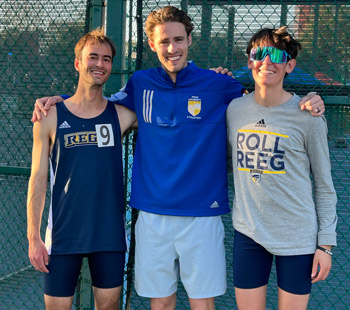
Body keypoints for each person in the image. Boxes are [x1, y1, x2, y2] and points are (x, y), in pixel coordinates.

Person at [31, 7, 325, 310]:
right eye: (164, 41)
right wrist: (60, 101)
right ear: (152, 43)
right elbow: (94, 106)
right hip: (152, 215)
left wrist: (311, 99)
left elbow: (265, 98)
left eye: (178, 39)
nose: (172, 48)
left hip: (203, 216)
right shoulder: (140, 83)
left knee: (202, 305)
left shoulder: (218, 84)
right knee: (161, 304)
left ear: (189, 41)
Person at [226, 26, 337, 310]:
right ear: (250, 61)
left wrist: (325, 245)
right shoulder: (234, 110)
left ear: (290, 65)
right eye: (258, 53)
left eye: (275, 54)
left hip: (297, 237)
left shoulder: (308, 116)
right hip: (249, 233)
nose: (266, 61)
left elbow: (324, 186)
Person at [26, 28, 137, 310]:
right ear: (78, 63)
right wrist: (34, 237)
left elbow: (166, 110)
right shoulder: (49, 116)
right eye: (93, 57)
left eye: (107, 59)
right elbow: (38, 178)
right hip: (63, 233)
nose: (100, 64)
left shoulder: (122, 116)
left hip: (109, 234)